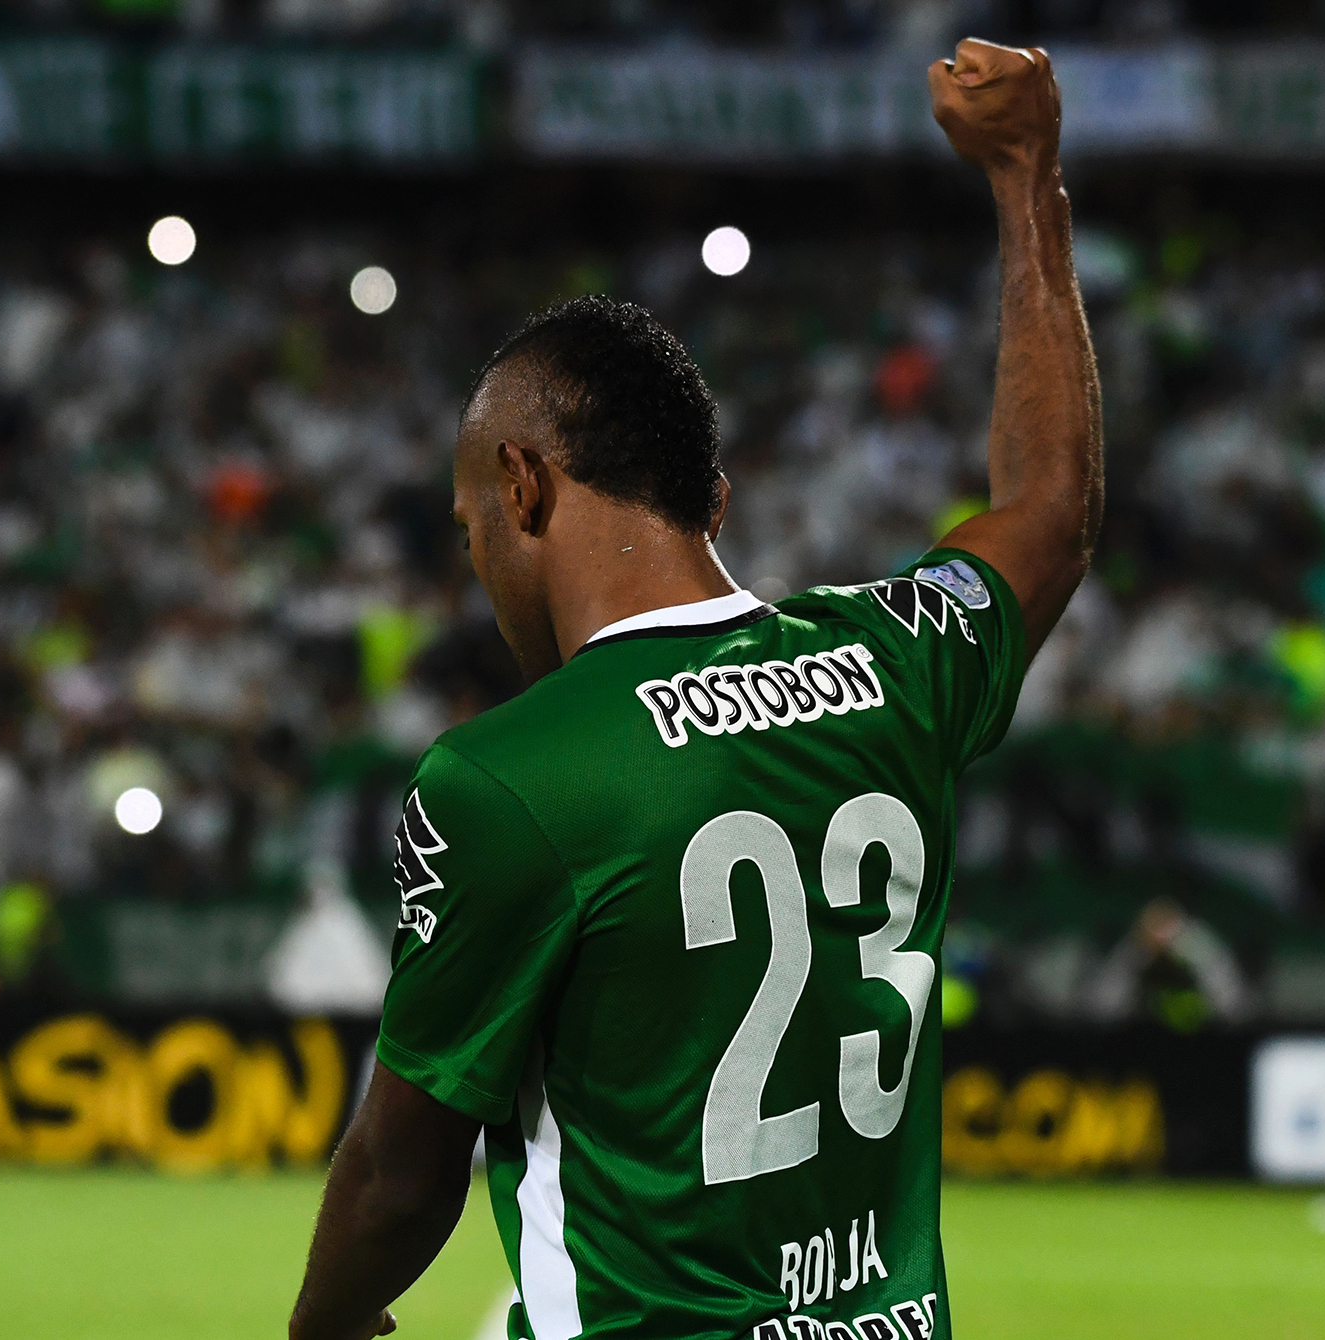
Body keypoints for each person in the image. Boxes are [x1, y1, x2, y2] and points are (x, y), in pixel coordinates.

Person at [288, 38, 1101, 1340]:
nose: (478, 563)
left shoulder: (507, 777)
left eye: (470, 526)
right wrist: (1027, 178)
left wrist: (320, 1324)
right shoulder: (896, 664)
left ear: (522, 486)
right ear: (710, 504)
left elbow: (399, 1173)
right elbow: (1051, 510)